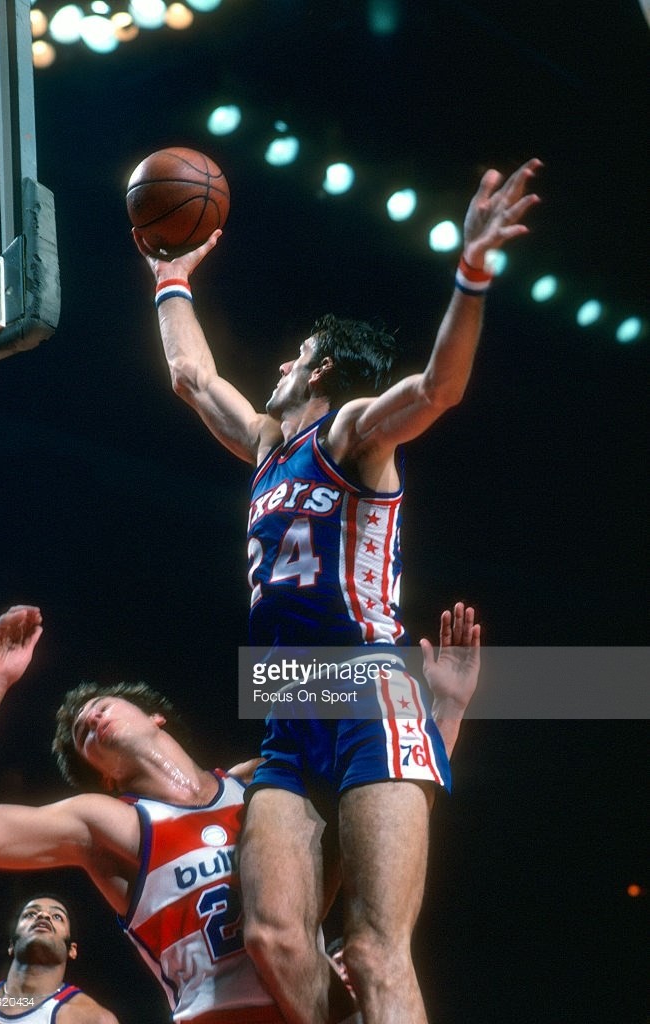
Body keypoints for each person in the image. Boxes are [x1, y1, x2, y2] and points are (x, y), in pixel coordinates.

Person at [133, 157, 537, 1022]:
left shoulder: (352, 435)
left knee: (374, 947)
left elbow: (438, 389)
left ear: (319, 372)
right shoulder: (266, 443)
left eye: (298, 355)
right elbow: (191, 377)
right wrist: (171, 279)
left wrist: (470, 272)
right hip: (289, 698)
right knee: (274, 936)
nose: (281, 362)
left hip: (366, 685)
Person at [0, 606, 286, 1024]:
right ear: (106, 777)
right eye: (83, 734)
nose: (92, 718)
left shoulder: (256, 782)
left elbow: (357, 732)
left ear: (155, 716)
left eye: (101, 706)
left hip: (313, 1004)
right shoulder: (110, 824)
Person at [0, 894, 119, 1023]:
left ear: (72, 950)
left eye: (57, 916)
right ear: (11, 945)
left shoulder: (92, 1019)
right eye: (30, 914)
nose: (43, 915)